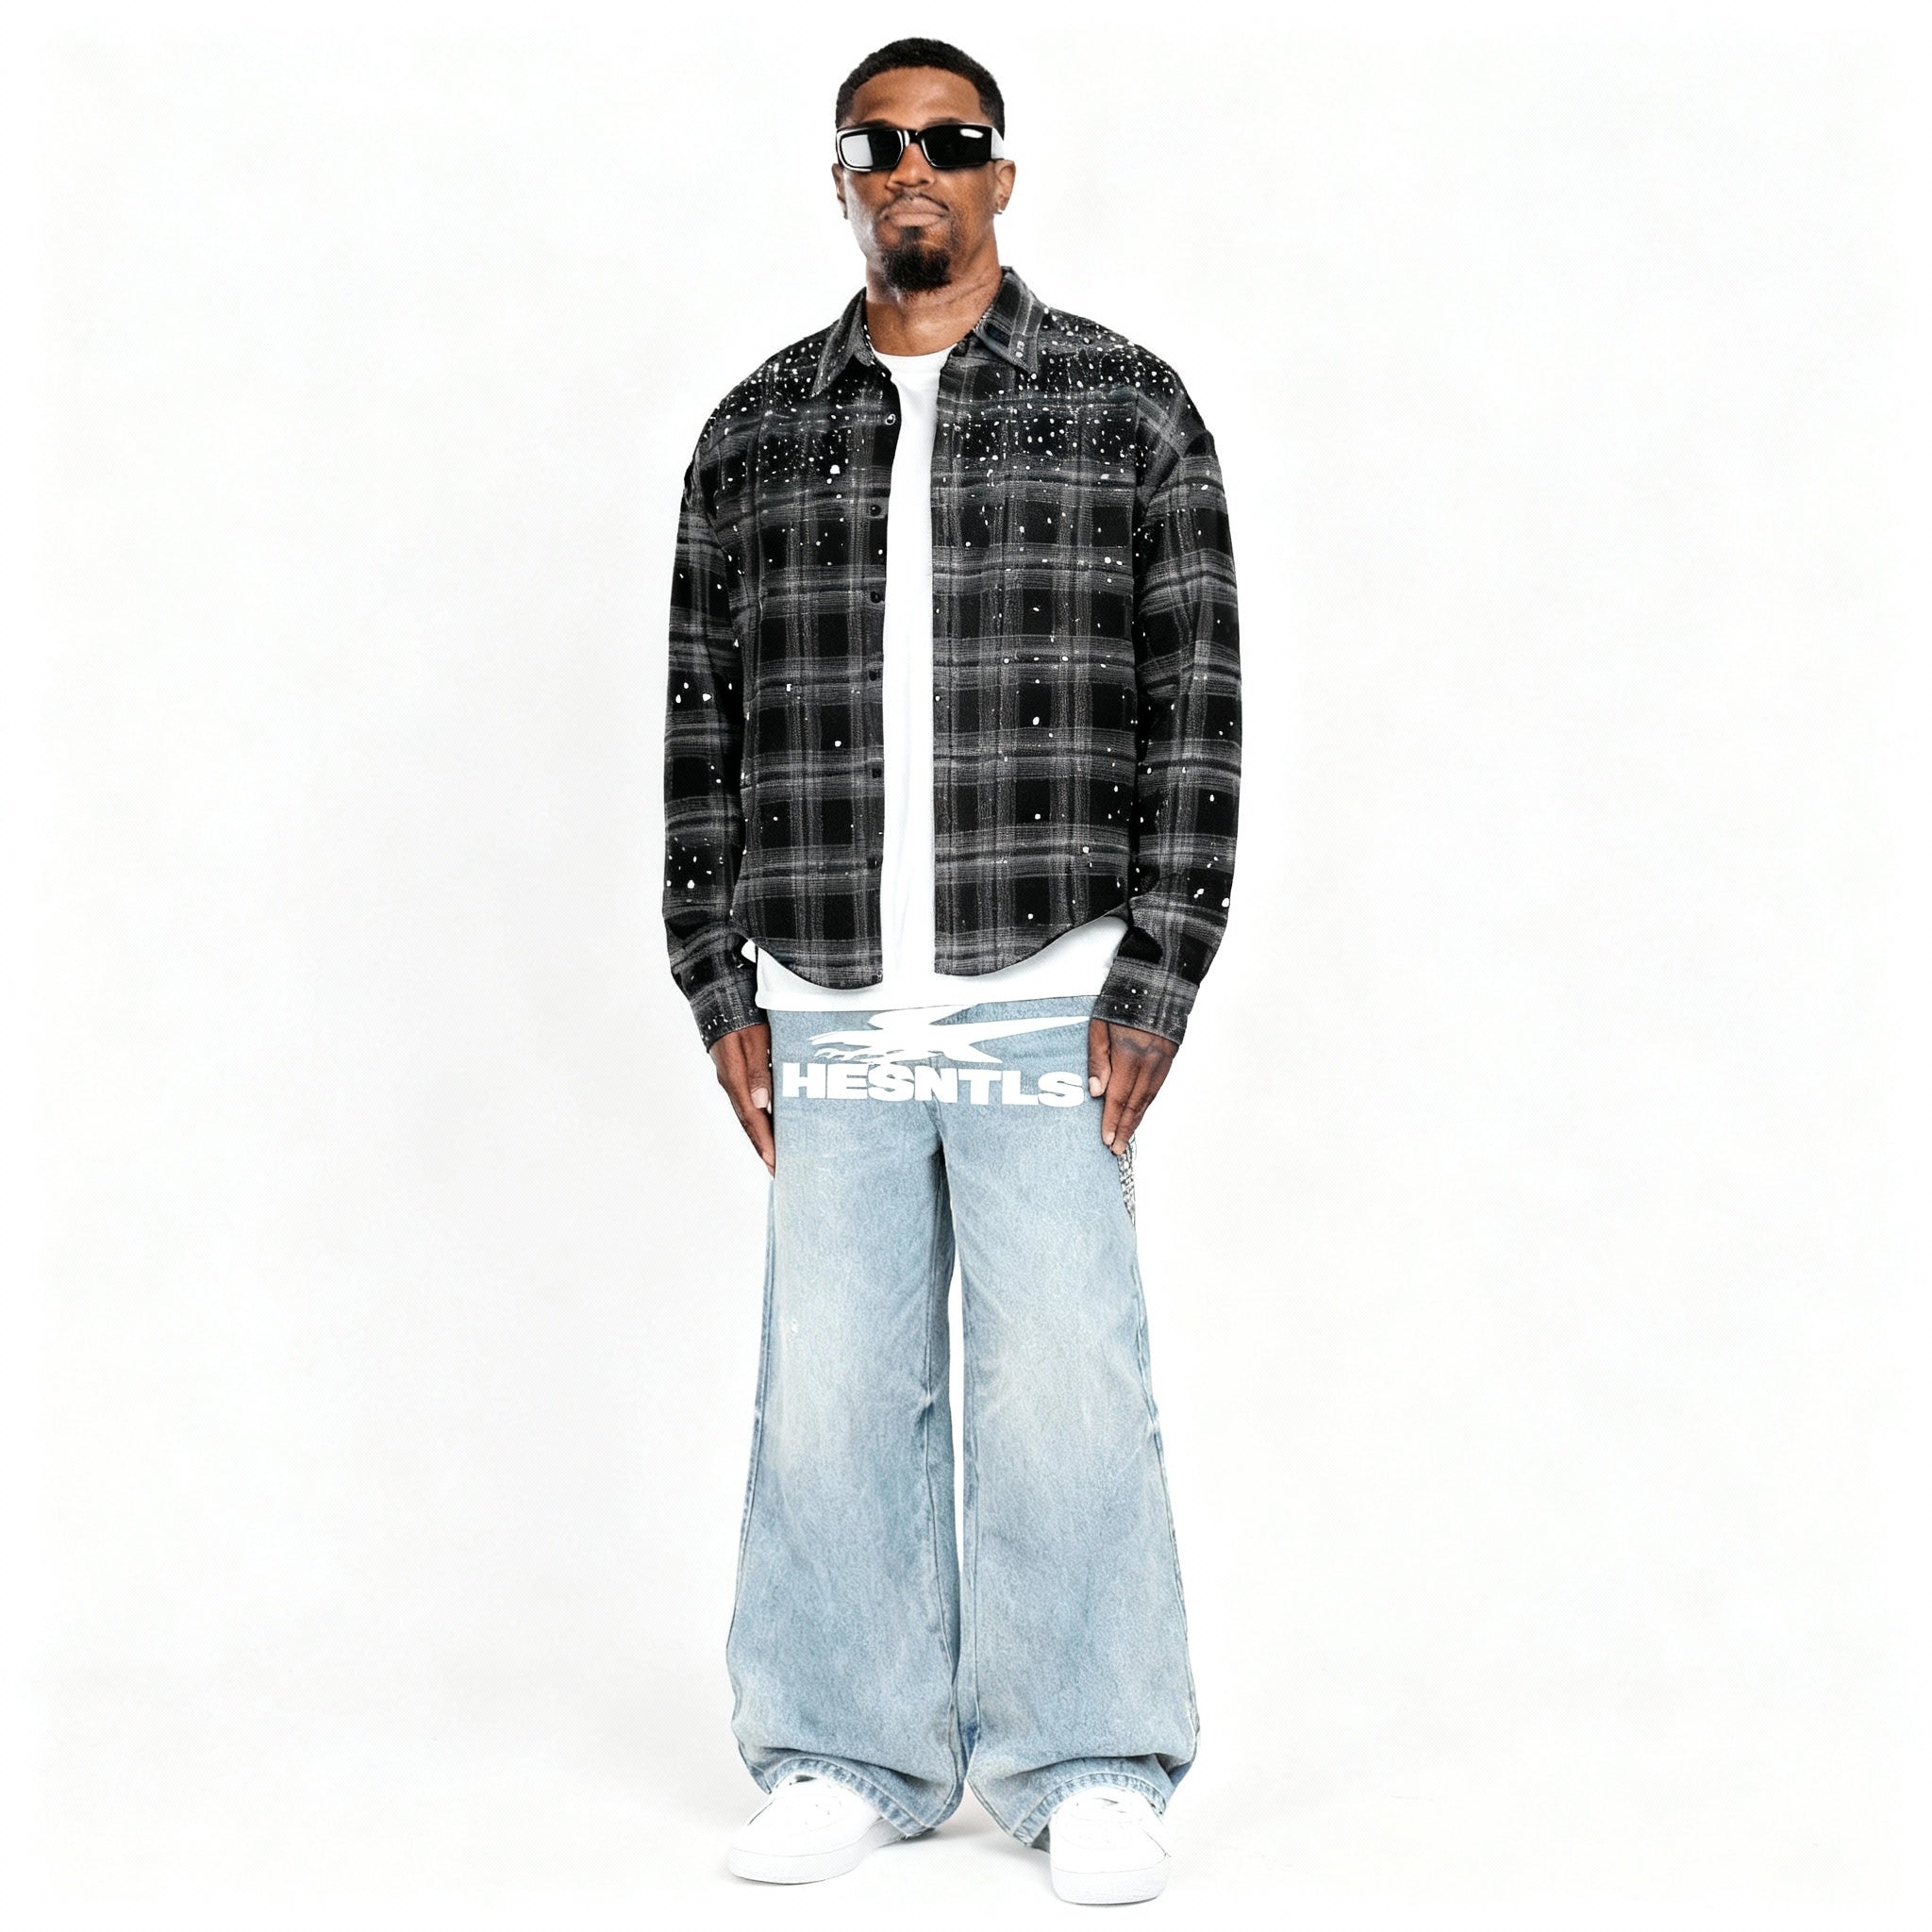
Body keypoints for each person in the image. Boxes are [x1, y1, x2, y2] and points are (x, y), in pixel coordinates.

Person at [662, 36, 1241, 1906]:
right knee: (834, 1387)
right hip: (828, 986)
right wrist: (717, 978)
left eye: (950, 138)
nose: (912, 166)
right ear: (840, 178)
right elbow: (702, 719)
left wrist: (1158, 973)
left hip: (1045, 980)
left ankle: (1090, 1761)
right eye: (877, 142)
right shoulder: (755, 433)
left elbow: (1197, 708)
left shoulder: (1124, 407)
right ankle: (850, 1750)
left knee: (1065, 1376)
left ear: (1001, 173)